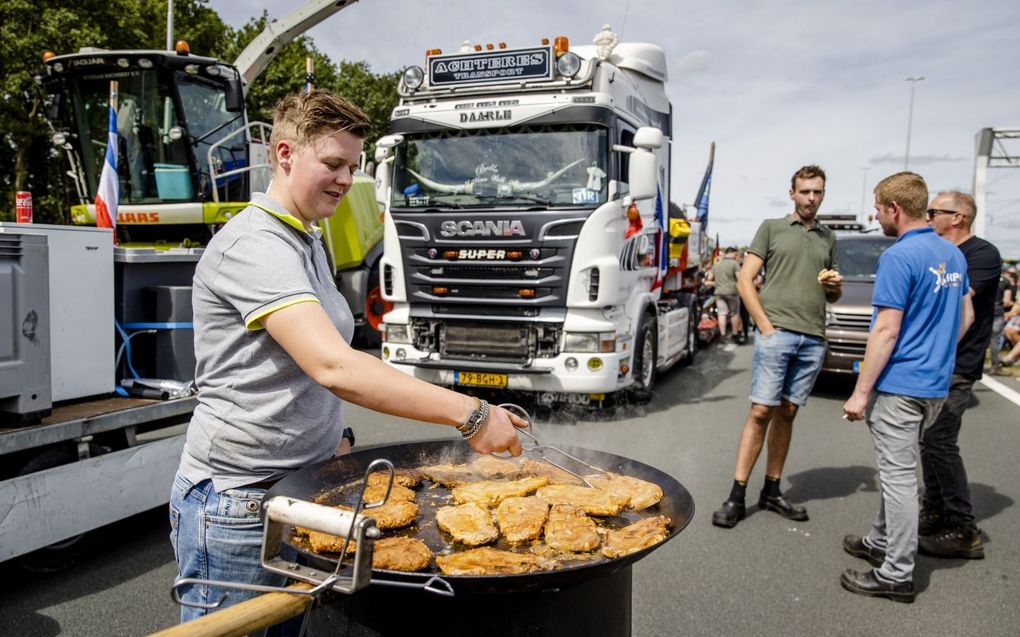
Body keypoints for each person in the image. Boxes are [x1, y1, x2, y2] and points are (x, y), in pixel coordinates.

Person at [169, 90, 527, 624]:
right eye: (333, 163)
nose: (344, 179)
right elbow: (333, 366)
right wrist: (471, 415)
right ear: (285, 154)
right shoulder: (255, 245)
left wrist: (335, 436)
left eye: (352, 166)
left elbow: (318, 362)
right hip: (238, 505)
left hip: (302, 490)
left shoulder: (308, 239)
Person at [841, 172, 972, 603]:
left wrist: (861, 392)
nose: (875, 214)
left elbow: (885, 330)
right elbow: (965, 317)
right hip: (935, 384)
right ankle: (880, 542)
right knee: (896, 471)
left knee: (898, 479)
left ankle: (896, 572)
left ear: (894, 209)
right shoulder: (951, 253)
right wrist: (937, 353)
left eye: (878, 207)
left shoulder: (898, 256)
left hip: (901, 386)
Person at [711, 165, 843, 528]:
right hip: (777, 334)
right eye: (805, 192)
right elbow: (744, 279)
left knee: (787, 413)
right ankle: (736, 495)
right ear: (792, 193)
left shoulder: (828, 238)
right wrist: (766, 327)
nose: (811, 198)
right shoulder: (772, 228)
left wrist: (834, 286)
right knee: (759, 412)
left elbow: (832, 291)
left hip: (813, 336)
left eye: (817, 192)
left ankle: (771, 490)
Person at [918, 192, 1000, 559]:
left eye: (934, 211)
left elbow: (955, 294)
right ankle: (935, 513)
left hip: (958, 363)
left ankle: (964, 530)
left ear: (958, 217)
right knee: (928, 441)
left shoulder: (982, 254)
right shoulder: (938, 251)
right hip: (933, 362)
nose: (928, 216)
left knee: (940, 441)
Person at [708, 248, 743, 344]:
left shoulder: (717, 264)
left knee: (722, 314)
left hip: (719, 292)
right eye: (735, 254)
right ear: (731, 253)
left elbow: (709, 278)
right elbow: (739, 278)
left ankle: (722, 336)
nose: (736, 257)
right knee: (734, 314)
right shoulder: (734, 264)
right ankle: (735, 334)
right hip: (732, 292)